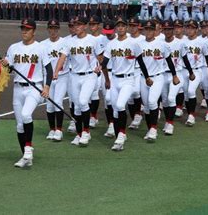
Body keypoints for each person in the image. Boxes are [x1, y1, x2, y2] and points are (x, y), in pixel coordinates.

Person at [1, 19, 52, 168]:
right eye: (23, 28)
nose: (24, 31)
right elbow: (10, 69)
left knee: (26, 115)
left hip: (34, 88)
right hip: (18, 88)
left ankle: (28, 148)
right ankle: (25, 156)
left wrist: (46, 87)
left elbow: (48, 69)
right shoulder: (13, 48)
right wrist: (6, 65)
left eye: (28, 29)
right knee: (19, 126)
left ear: (34, 31)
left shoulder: (40, 48)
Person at [54, 16, 103, 147]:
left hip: (89, 75)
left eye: (79, 24)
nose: (76, 27)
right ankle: (79, 133)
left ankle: (86, 132)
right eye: (75, 24)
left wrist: (99, 65)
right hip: (74, 76)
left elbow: (100, 56)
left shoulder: (93, 40)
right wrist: (56, 71)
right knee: (76, 107)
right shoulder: (69, 42)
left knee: (82, 102)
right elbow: (62, 57)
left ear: (85, 26)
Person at [101, 17, 147, 151]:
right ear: (115, 29)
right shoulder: (111, 44)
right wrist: (107, 80)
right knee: (115, 108)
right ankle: (119, 137)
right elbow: (104, 64)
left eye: (123, 26)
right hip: (114, 79)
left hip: (128, 79)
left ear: (126, 28)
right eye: (118, 26)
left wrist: (147, 77)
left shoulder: (133, 43)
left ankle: (121, 134)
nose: (120, 28)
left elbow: (141, 61)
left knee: (120, 105)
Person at [41, 18, 68, 142]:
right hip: (48, 78)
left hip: (63, 76)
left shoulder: (65, 42)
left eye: (55, 28)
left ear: (59, 29)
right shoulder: (42, 45)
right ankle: (52, 129)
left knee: (57, 101)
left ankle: (59, 130)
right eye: (51, 28)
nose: (53, 31)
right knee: (49, 104)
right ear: (48, 29)